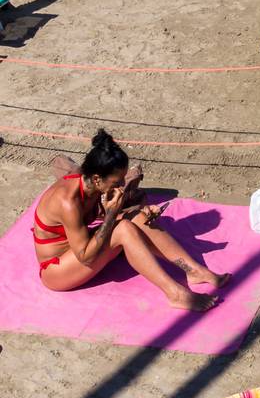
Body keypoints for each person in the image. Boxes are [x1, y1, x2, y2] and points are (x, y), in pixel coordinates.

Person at [31, 129, 226, 307]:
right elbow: (86, 256)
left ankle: (193, 270)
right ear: (97, 179)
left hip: (78, 251)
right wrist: (111, 214)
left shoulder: (90, 185)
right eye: (117, 181)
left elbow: (99, 219)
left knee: (136, 217)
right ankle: (174, 293)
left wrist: (138, 212)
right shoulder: (68, 202)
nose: (121, 186)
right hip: (56, 270)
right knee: (123, 229)